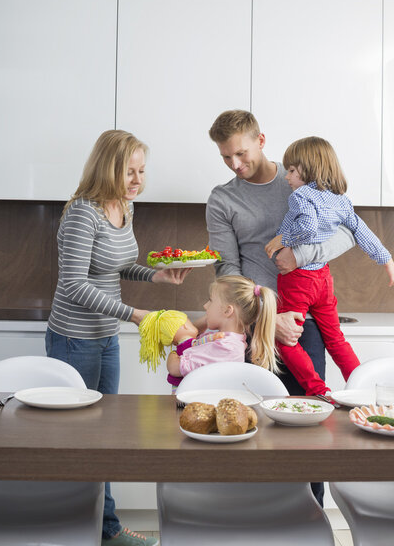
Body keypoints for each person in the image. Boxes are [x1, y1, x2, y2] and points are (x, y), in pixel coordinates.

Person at [46, 129, 190, 546]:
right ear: (107, 167)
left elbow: (117, 266)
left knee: (103, 437)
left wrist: (155, 275)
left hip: (106, 337)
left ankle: (104, 529)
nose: (137, 180)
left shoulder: (126, 208)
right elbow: (73, 284)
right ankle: (80, 527)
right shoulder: (82, 213)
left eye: (142, 171)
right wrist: (136, 314)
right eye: (129, 171)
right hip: (73, 339)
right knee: (76, 440)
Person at [205, 109, 355, 507]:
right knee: (255, 426)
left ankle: (311, 516)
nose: (235, 165)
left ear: (261, 140)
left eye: (240, 153)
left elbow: (346, 233)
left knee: (309, 427)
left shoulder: (299, 179)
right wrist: (268, 319)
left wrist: (301, 255)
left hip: (304, 320)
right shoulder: (223, 199)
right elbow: (228, 271)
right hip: (255, 324)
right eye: (225, 157)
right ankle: (258, 518)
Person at [265, 136, 394, 395]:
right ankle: (364, 389)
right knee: (336, 340)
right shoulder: (341, 200)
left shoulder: (301, 195)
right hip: (323, 279)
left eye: (291, 170)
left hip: (298, 280)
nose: (287, 177)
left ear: (309, 168)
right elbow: (361, 230)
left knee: (285, 341)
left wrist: (284, 239)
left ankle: (318, 390)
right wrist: (386, 259)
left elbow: (309, 226)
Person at [166, 275, 278, 388]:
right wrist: (207, 319)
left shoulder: (225, 347)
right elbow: (193, 340)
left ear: (228, 310)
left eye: (210, 300)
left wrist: (173, 353)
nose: (205, 306)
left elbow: (175, 368)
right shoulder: (229, 340)